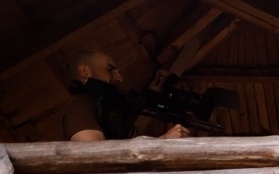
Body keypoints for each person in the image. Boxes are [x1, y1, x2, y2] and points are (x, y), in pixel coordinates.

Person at [61, 51, 189, 142]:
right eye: (110, 70)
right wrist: (163, 141)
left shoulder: (102, 111)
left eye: (119, 72)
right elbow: (92, 155)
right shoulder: (81, 103)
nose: (120, 78)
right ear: (85, 72)